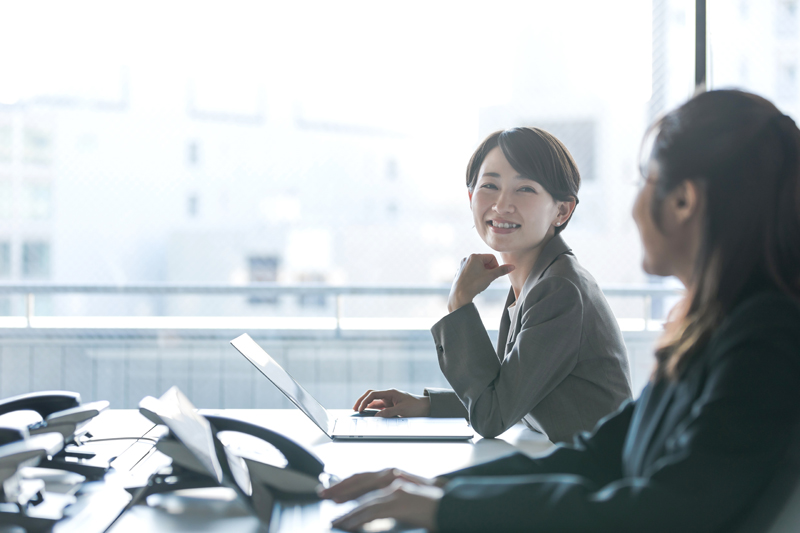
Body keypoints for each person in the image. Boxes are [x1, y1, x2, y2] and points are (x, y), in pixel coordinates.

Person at [322, 89, 800, 532]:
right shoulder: (716, 328)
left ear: (683, 201)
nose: (633, 206)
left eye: (643, 181)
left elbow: (663, 509)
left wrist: (451, 507)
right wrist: (442, 489)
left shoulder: (763, 339)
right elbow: (600, 454)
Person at [353, 127, 632, 443]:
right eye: (490, 185)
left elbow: (491, 417)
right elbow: (506, 388)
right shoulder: (535, 278)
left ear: (562, 209)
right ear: (471, 197)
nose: (501, 205)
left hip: (593, 477)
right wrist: (427, 404)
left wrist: (459, 302)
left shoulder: (559, 290)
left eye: (524, 189)